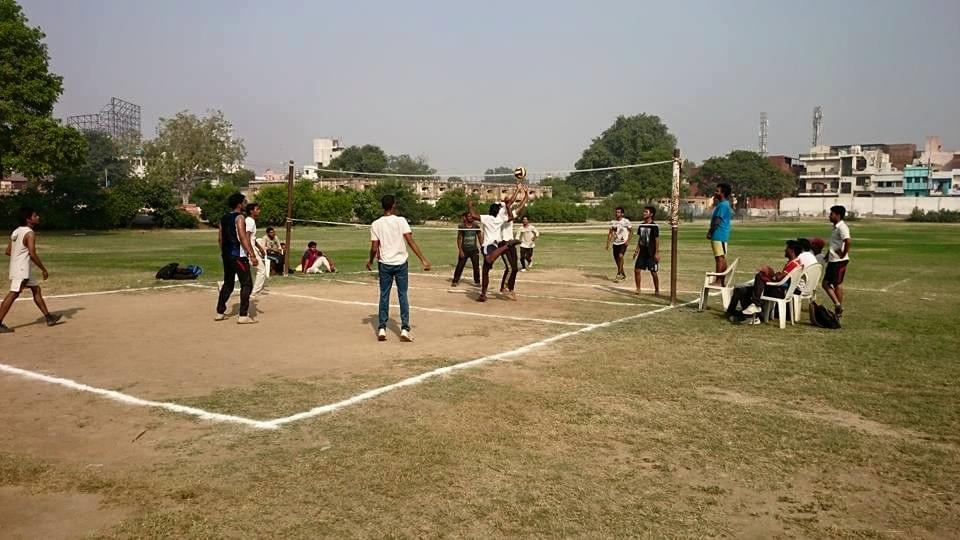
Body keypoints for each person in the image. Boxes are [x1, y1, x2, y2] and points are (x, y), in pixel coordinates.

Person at [366, 194, 431, 342]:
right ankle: (404, 329)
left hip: (385, 263)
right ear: (393, 205)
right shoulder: (401, 221)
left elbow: (374, 247)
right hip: (401, 263)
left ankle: (382, 328)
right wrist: (423, 259)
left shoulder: (376, 224)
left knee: (384, 295)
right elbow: (410, 241)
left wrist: (370, 260)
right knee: (403, 295)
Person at [0, 208, 62, 333]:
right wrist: (43, 269)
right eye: (35, 215)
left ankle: (49, 317)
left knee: (36, 290)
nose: (38, 217)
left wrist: (19, 257)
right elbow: (32, 254)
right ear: (28, 219)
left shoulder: (17, 231)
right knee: (14, 293)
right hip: (22, 268)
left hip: (20, 267)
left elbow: (8, 251)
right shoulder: (30, 233)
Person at [727, 240, 803, 322]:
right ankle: (739, 313)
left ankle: (755, 308)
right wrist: (772, 273)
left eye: (787, 248)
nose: (785, 250)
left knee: (759, 276)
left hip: (779, 291)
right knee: (741, 290)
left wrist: (770, 272)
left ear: (791, 251)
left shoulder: (793, 264)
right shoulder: (796, 263)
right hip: (780, 289)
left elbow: (779, 278)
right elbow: (779, 277)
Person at [469, 193, 522, 302]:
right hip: (497, 246)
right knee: (485, 270)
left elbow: (473, 216)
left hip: (489, 245)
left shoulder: (487, 218)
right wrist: (507, 206)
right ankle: (483, 294)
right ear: (497, 211)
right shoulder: (499, 219)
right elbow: (511, 217)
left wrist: (470, 205)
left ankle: (508, 245)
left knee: (488, 260)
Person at [216, 193, 258, 324]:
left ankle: (220, 312)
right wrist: (252, 254)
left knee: (228, 283)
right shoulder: (240, 217)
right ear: (239, 204)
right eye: (244, 202)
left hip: (226, 254)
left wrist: (224, 252)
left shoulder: (223, 218)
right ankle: (243, 315)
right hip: (238, 255)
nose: (246, 204)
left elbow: (220, 238)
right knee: (247, 284)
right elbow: (242, 237)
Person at [497, 185, 529, 297]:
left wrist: (526, 194)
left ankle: (510, 289)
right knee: (509, 267)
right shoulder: (501, 213)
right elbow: (510, 202)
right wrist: (517, 190)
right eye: (507, 201)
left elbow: (521, 206)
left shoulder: (510, 213)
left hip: (510, 243)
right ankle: (503, 287)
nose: (509, 202)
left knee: (514, 268)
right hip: (502, 244)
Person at [823, 205, 851, 320]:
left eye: (831, 214)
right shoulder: (835, 227)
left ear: (838, 215)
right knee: (827, 283)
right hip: (833, 259)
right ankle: (838, 307)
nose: (830, 216)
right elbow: (835, 244)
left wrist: (843, 254)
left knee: (834, 284)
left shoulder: (842, 227)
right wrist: (827, 255)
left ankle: (838, 307)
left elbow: (848, 241)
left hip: (839, 261)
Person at [707, 183, 734, 285]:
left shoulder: (723, 205)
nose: (715, 192)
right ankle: (721, 280)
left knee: (719, 258)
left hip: (719, 235)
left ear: (723, 193)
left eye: (717, 191)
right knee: (721, 258)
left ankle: (718, 280)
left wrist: (710, 232)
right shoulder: (723, 205)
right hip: (720, 235)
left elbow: (717, 221)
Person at [632, 206, 660, 295]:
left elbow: (657, 240)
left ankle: (657, 289)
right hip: (642, 252)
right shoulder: (641, 225)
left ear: (651, 214)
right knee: (637, 270)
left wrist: (657, 253)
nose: (644, 213)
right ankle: (638, 289)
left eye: (646, 212)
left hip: (651, 253)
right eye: (643, 212)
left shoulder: (654, 226)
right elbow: (640, 239)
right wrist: (636, 250)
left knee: (653, 272)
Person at [451, 211, 482, 287]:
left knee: (476, 266)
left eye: (472, 216)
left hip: (474, 250)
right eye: (469, 216)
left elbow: (480, 237)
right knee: (460, 266)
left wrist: (483, 247)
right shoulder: (462, 226)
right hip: (464, 250)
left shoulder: (476, 226)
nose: (470, 217)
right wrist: (460, 250)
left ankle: (477, 281)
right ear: (465, 217)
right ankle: (455, 281)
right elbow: (459, 239)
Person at [245, 203, 268, 295]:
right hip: (249, 249)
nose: (259, 211)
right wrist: (251, 253)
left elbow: (252, 238)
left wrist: (260, 248)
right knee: (262, 270)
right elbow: (247, 237)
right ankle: (255, 292)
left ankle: (223, 284)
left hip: (250, 248)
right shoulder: (250, 221)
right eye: (257, 209)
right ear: (251, 211)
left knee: (243, 271)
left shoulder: (250, 221)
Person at [605, 207, 632, 281]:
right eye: (616, 212)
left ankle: (618, 274)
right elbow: (610, 233)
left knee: (620, 256)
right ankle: (623, 274)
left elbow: (631, 231)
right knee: (617, 260)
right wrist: (608, 243)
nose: (617, 213)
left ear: (622, 213)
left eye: (619, 212)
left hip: (623, 242)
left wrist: (628, 241)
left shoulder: (626, 221)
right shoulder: (613, 222)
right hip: (615, 243)